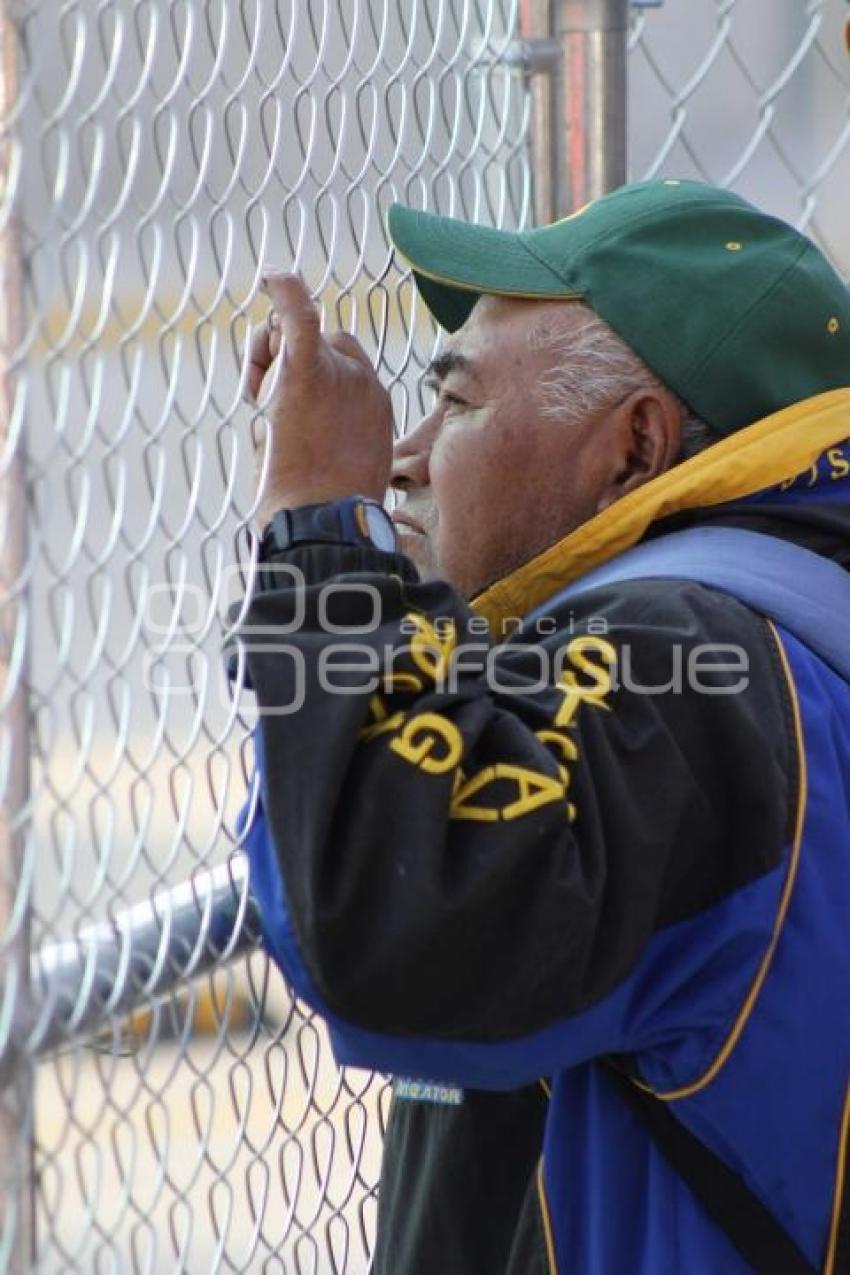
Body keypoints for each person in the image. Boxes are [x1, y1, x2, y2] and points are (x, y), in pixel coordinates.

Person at [231, 180, 850, 1273]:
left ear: (635, 446)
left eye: (457, 405)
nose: (406, 454)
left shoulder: (680, 666)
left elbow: (392, 911)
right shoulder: (800, 607)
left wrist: (325, 530)